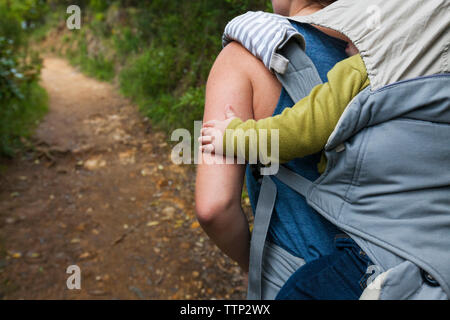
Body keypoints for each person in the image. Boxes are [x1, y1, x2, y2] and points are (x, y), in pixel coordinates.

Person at [195, 0, 366, 299]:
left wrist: (250, 264)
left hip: (293, 275)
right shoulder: (384, 55)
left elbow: (214, 207)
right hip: (391, 268)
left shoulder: (243, 57)